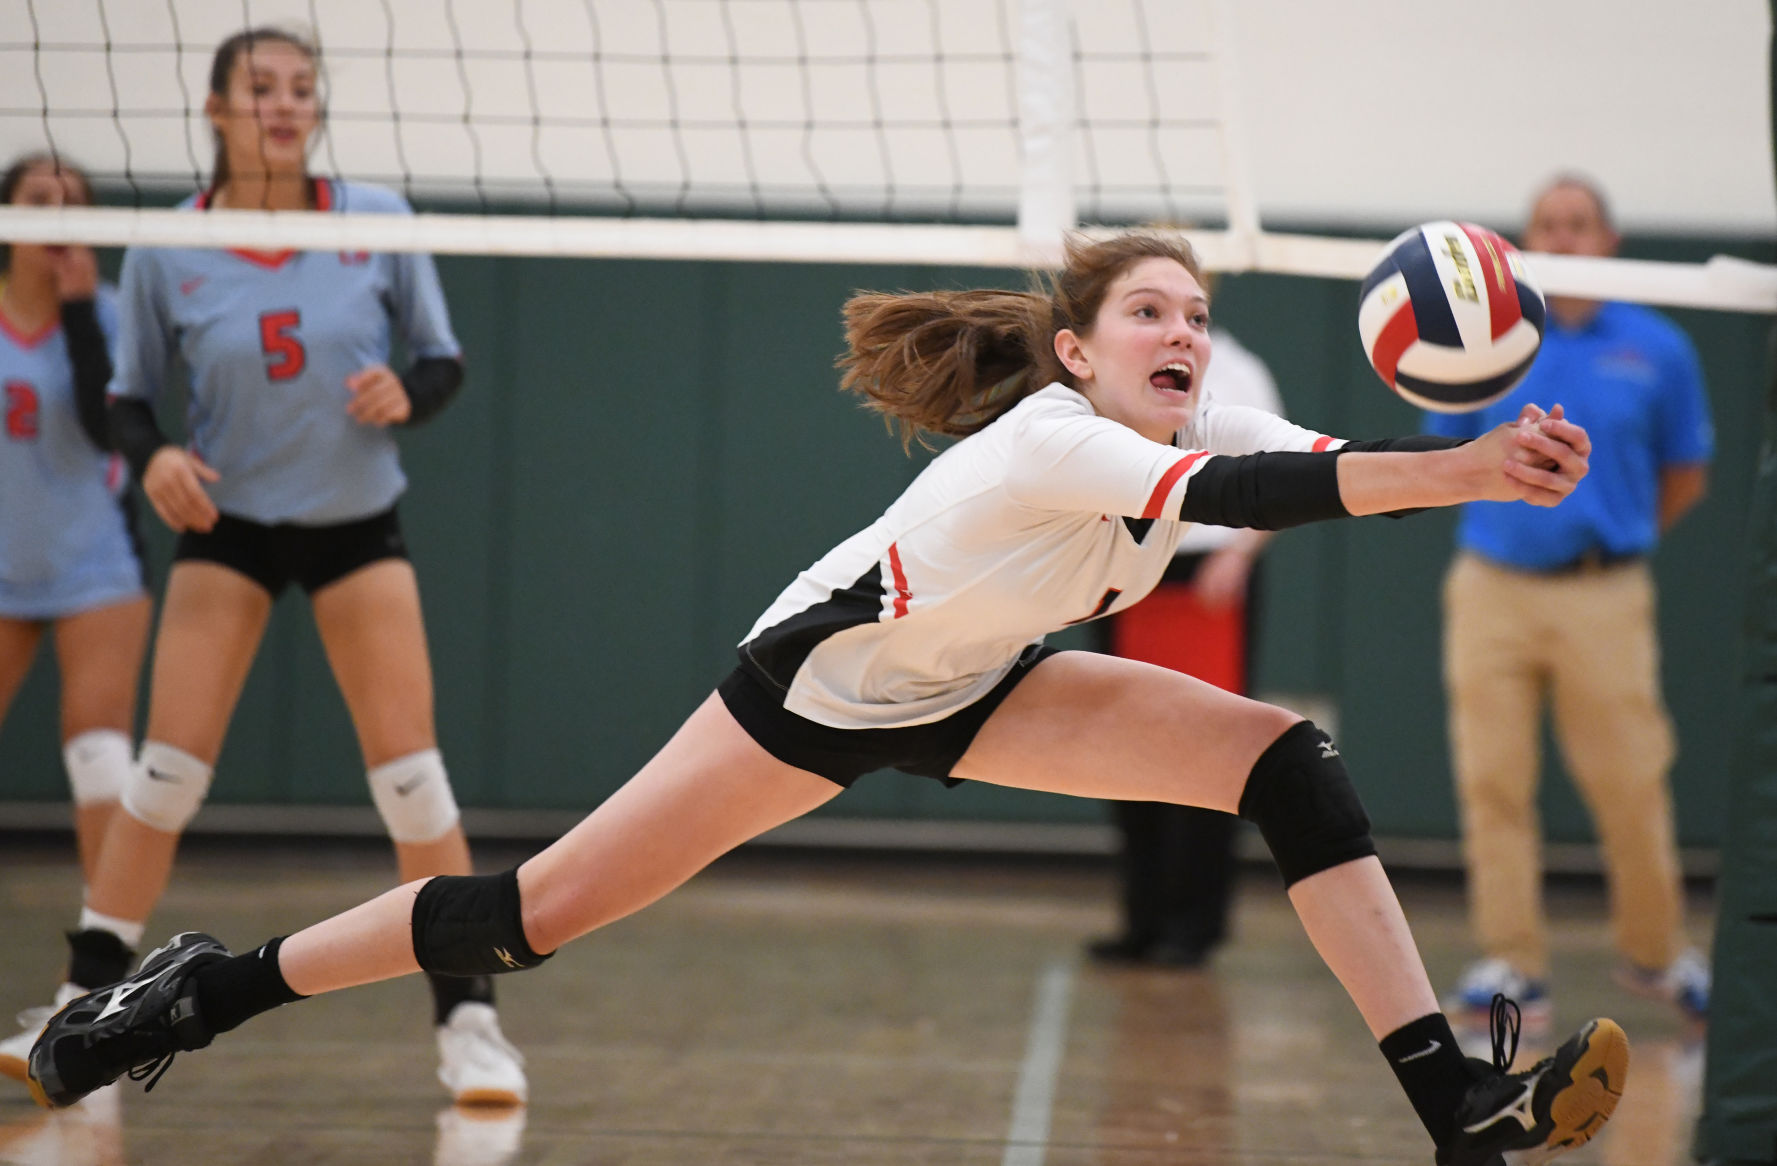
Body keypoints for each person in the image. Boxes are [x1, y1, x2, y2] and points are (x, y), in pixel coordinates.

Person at [29, 231, 1626, 1166]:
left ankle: (1458, 1107)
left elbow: (1296, 467)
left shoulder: (1157, 455)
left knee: (1288, 762)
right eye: (1149, 310)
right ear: (1073, 350)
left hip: (982, 684)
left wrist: (1458, 459)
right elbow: (1275, 486)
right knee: (530, 913)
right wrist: (1469, 465)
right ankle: (195, 992)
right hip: (819, 687)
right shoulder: (1063, 440)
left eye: (1197, 319)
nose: (1182, 333)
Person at [0, 27, 526, 1106]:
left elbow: (440, 361)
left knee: (411, 774)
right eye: (260, 88)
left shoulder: (376, 219)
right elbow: (127, 396)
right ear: (216, 109)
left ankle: (470, 1019)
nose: (284, 106)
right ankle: (82, 994)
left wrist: (407, 396)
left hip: (354, 521)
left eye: (300, 89)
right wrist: (152, 460)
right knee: (163, 773)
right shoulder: (166, 245)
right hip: (228, 521)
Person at [1430, 175, 1714, 1030]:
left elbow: (1686, 471)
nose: (1564, 236)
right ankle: (1513, 964)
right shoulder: (1489, 345)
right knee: (1492, 782)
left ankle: (1658, 955)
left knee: (1629, 780)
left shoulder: (1659, 347)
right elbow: (1446, 459)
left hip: (1604, 591)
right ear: (1522, 242)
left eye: (1578, 224)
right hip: (1490, 587)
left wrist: (1613, 535)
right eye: (1547, 224)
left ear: (1608, 239)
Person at [0, 154, 150, 1084]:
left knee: (99, 749)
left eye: (74, 203)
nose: (59, 215)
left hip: (96, 566)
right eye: (39, 200)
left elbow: (109, 431)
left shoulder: (116, 308)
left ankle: (94, 986)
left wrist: (85, 305)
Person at [1088, 326, 1283, 967]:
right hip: (1130, 571)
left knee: (1206, 755)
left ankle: (1195, 926)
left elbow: (1279, 480)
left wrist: (1241, 554)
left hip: (1206, 578)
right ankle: (1141, 919)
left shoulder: (1239, 370)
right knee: (1125, 750)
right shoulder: (1109, 370)